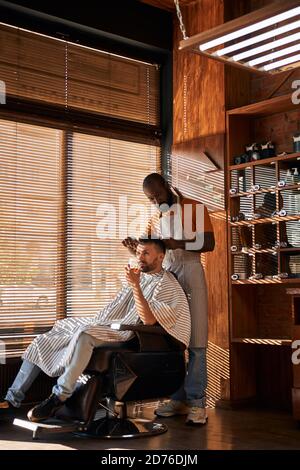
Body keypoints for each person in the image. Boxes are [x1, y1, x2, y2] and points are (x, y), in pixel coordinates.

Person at [0, 239, 191, 423]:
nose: (140, 257)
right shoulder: (140, 276)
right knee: (50, 335)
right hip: (110, 323)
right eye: (139, 252)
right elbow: (116, 308)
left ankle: (60, 396)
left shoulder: (166, 284)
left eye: (146, 253)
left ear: (160, 257)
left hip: (132, 334)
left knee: (85, 335)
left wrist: (135, 285)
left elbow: (149, 320)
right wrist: (133, 284)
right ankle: (11, 399)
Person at [122, 173, 215, 425]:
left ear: (166, 185)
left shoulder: (195, 208)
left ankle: (197, 403)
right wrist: (135, 248)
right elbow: (152, 250)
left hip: (191, 273)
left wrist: (174, 242)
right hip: (167, 277)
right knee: (173, 340)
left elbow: (209, 243)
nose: (155, 201)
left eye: (158, 195)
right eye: (150, 198)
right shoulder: (155, 218)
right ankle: (178, 398)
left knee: (196, 341)